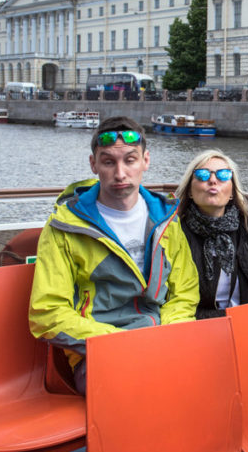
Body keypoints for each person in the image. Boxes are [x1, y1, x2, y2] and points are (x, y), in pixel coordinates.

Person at [29, 116, 199, 394]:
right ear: (94, 164)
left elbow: (185, 292)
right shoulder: (65, 226)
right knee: (147, 393)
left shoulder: (167, 218)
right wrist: (124, 343)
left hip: (161, 341)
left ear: (146, 161)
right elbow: (47, 313)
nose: (120, 174)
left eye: (130, 160)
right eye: (108, 162)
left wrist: (166, 337)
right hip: (99, 353)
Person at [175, 149, 248, 318]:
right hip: (197, 328)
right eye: (202, 175)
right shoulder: (176, 234)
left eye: (223, 175)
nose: (213, 180)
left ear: (232, 192)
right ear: (189, 191)